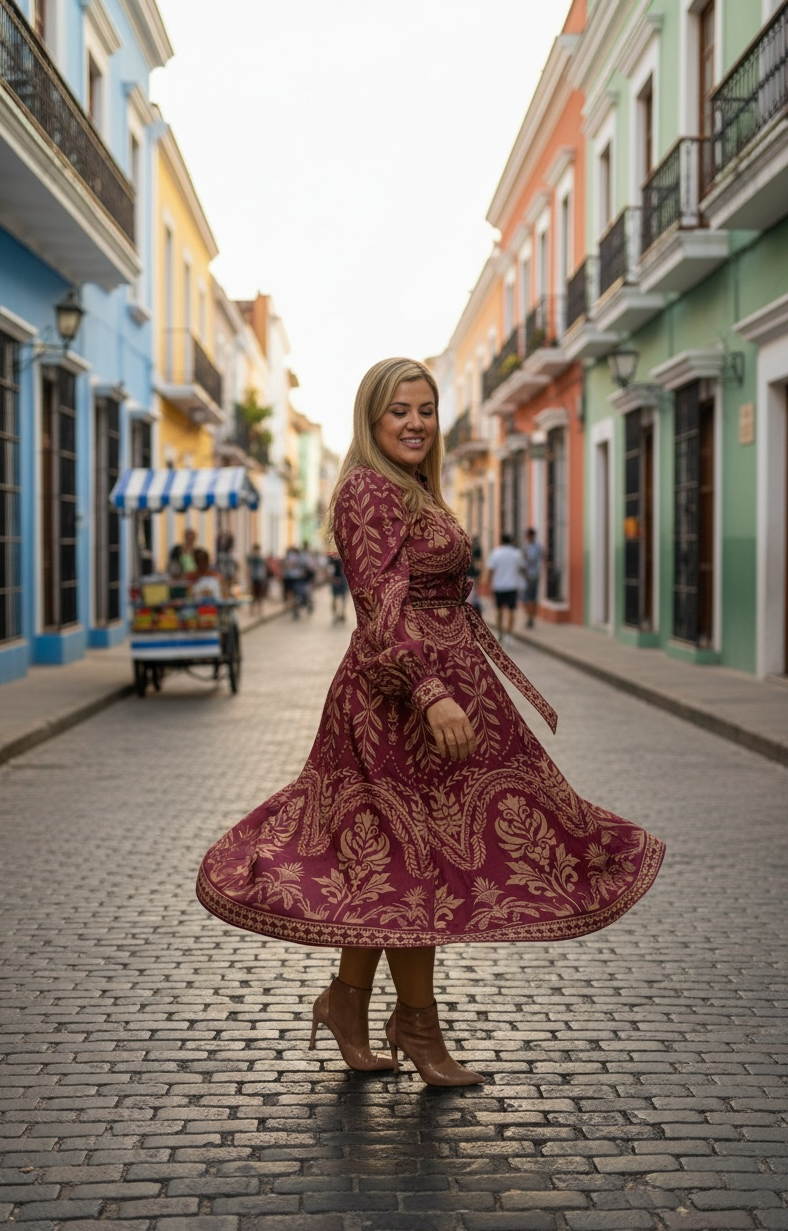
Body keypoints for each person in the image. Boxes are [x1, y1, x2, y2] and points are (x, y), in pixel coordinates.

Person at [196, 357, 665, 1087]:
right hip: (397, 700)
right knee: (412, 861)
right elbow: (379, 607)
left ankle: (348, 1002)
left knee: (396, 861)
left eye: (425, 409)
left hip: (442, 688)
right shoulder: (368, 489)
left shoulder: (411, 486)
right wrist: (431, 692)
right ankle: (417, 1024)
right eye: (399, 411)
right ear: (371, 420)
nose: (415, 423)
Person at [486, 533, 526, 644]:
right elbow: (522, 568)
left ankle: (500, 633)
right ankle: (509, 634)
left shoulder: (495, 553)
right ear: (511, 541)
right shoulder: (516, 554)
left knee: (499, 611)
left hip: (499, 586)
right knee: (511, 611)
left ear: (501, 541)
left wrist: (489, 584)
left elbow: (490, 570)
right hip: (512, 586)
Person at [522, 527, 544, 628]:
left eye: (529, 536)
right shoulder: (525, 546)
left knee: (532, 598)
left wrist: (525, 555)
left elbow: (533, 559)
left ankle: (531, 618)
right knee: (525, 599)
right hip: (525, 575)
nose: (528, 537)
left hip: (533, 575)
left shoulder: (537, 547)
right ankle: (529, 616)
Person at [247, 544, 269, 616]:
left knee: (259, 595)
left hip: (259, 578)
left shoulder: (260, 559)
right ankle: (252, 610)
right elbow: (249, 569)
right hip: (254, 578)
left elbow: (263, 569)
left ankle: (260, 609)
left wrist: (263, 577)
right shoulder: (252, 559)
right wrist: (249, 579)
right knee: (252, 595)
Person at [328, 553, 348, 622]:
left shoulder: (334, 559)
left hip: (339, 579)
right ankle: (338, 614)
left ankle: (341, 613)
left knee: (339, 598)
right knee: (337, 598)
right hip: (338, 579)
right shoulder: (334, 559)